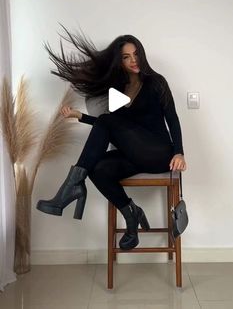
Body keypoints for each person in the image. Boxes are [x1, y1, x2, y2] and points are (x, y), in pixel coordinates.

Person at [37, 29, 187, 250]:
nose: (133, 60)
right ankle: (131, 214)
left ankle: (69, 189)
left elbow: (172, 118)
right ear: (120, 61)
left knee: (106, 122)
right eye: (126, 57)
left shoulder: (156, 82)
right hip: (134, 154)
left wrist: (179, 151)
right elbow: (110, 125)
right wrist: (79, 116)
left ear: (142, 55)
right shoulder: (118, 89)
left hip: (159, 153)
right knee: (98, 168)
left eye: (136, 54)